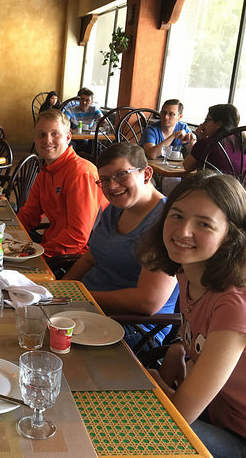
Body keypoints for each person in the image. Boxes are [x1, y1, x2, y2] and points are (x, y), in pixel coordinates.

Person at [139, 171, 246, 458]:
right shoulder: (189, 273)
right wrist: (177, 352)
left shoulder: (239, 304)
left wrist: (151, 381)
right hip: (219, 414)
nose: (183, 231)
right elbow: (196, 339)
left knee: (141, 425)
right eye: (176, 216)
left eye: (204, 224)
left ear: (231, 236)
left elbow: (180, 416)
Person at [63, 143, 178, 349]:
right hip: (89, 308)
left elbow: (148, 301)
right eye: (105, 180)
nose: (113, 186)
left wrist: (78, 296)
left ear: (146, 173)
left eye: (121, 175)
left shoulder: (165, 222)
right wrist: (61, 288)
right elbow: (91, 257)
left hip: (135, 328)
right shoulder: (117, 207)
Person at [17, 109, 108, 270]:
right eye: (42, 135)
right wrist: (5, 237)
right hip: (52, 246)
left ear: (68, 137)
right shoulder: (46, 172)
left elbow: (78, 237)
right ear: (35, 139)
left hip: (75, 260)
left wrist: (34, 256)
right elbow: (28, 215)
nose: (47, 140)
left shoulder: (81, 173)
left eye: (55, 134)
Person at [182, 104, 246, 178]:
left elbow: (187, 166)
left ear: (218, 124)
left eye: (207, 120)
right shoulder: (243, 143)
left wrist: (200, 140)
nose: (203, 124)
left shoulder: (207, 143)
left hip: (213, 188)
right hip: (238, 188)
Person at [64, 87, 103, 154]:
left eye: (87, 100)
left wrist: (99, 126)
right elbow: (63, 121)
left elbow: (103, 122)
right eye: (82, 99)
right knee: (69, 147)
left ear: (91, 102)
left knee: (96, 148)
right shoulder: (70, 109)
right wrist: (67, 127)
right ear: (79, 99)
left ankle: (94, 164)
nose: (84, 102)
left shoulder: (94, 110)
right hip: (73, 139)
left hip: (88, 139)